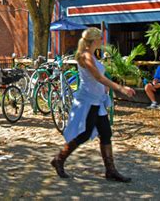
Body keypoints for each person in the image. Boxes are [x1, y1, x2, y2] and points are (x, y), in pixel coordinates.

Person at [51, 27, 135, 183]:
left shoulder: (92, 56)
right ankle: (59, 159)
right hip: (88, 101)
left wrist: (106, 88)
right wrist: (121, 88)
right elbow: (98, 77)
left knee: (106, 133)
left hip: (97, 100)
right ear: (94, 40)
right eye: (100, 38)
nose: (102, 40)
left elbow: (100, 77)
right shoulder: (86, 56)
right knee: (84, 134)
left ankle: (110, 170)